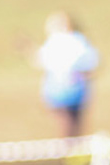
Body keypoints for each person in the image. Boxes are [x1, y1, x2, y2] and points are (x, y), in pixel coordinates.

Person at [35, 12, 100, 140]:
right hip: (70, 92)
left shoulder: (69, 41)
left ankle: (68, 149)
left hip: (66, 92)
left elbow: (45, 61)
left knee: (68, 127)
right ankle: (71, 149)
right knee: (71, 126)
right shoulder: (79, 41)